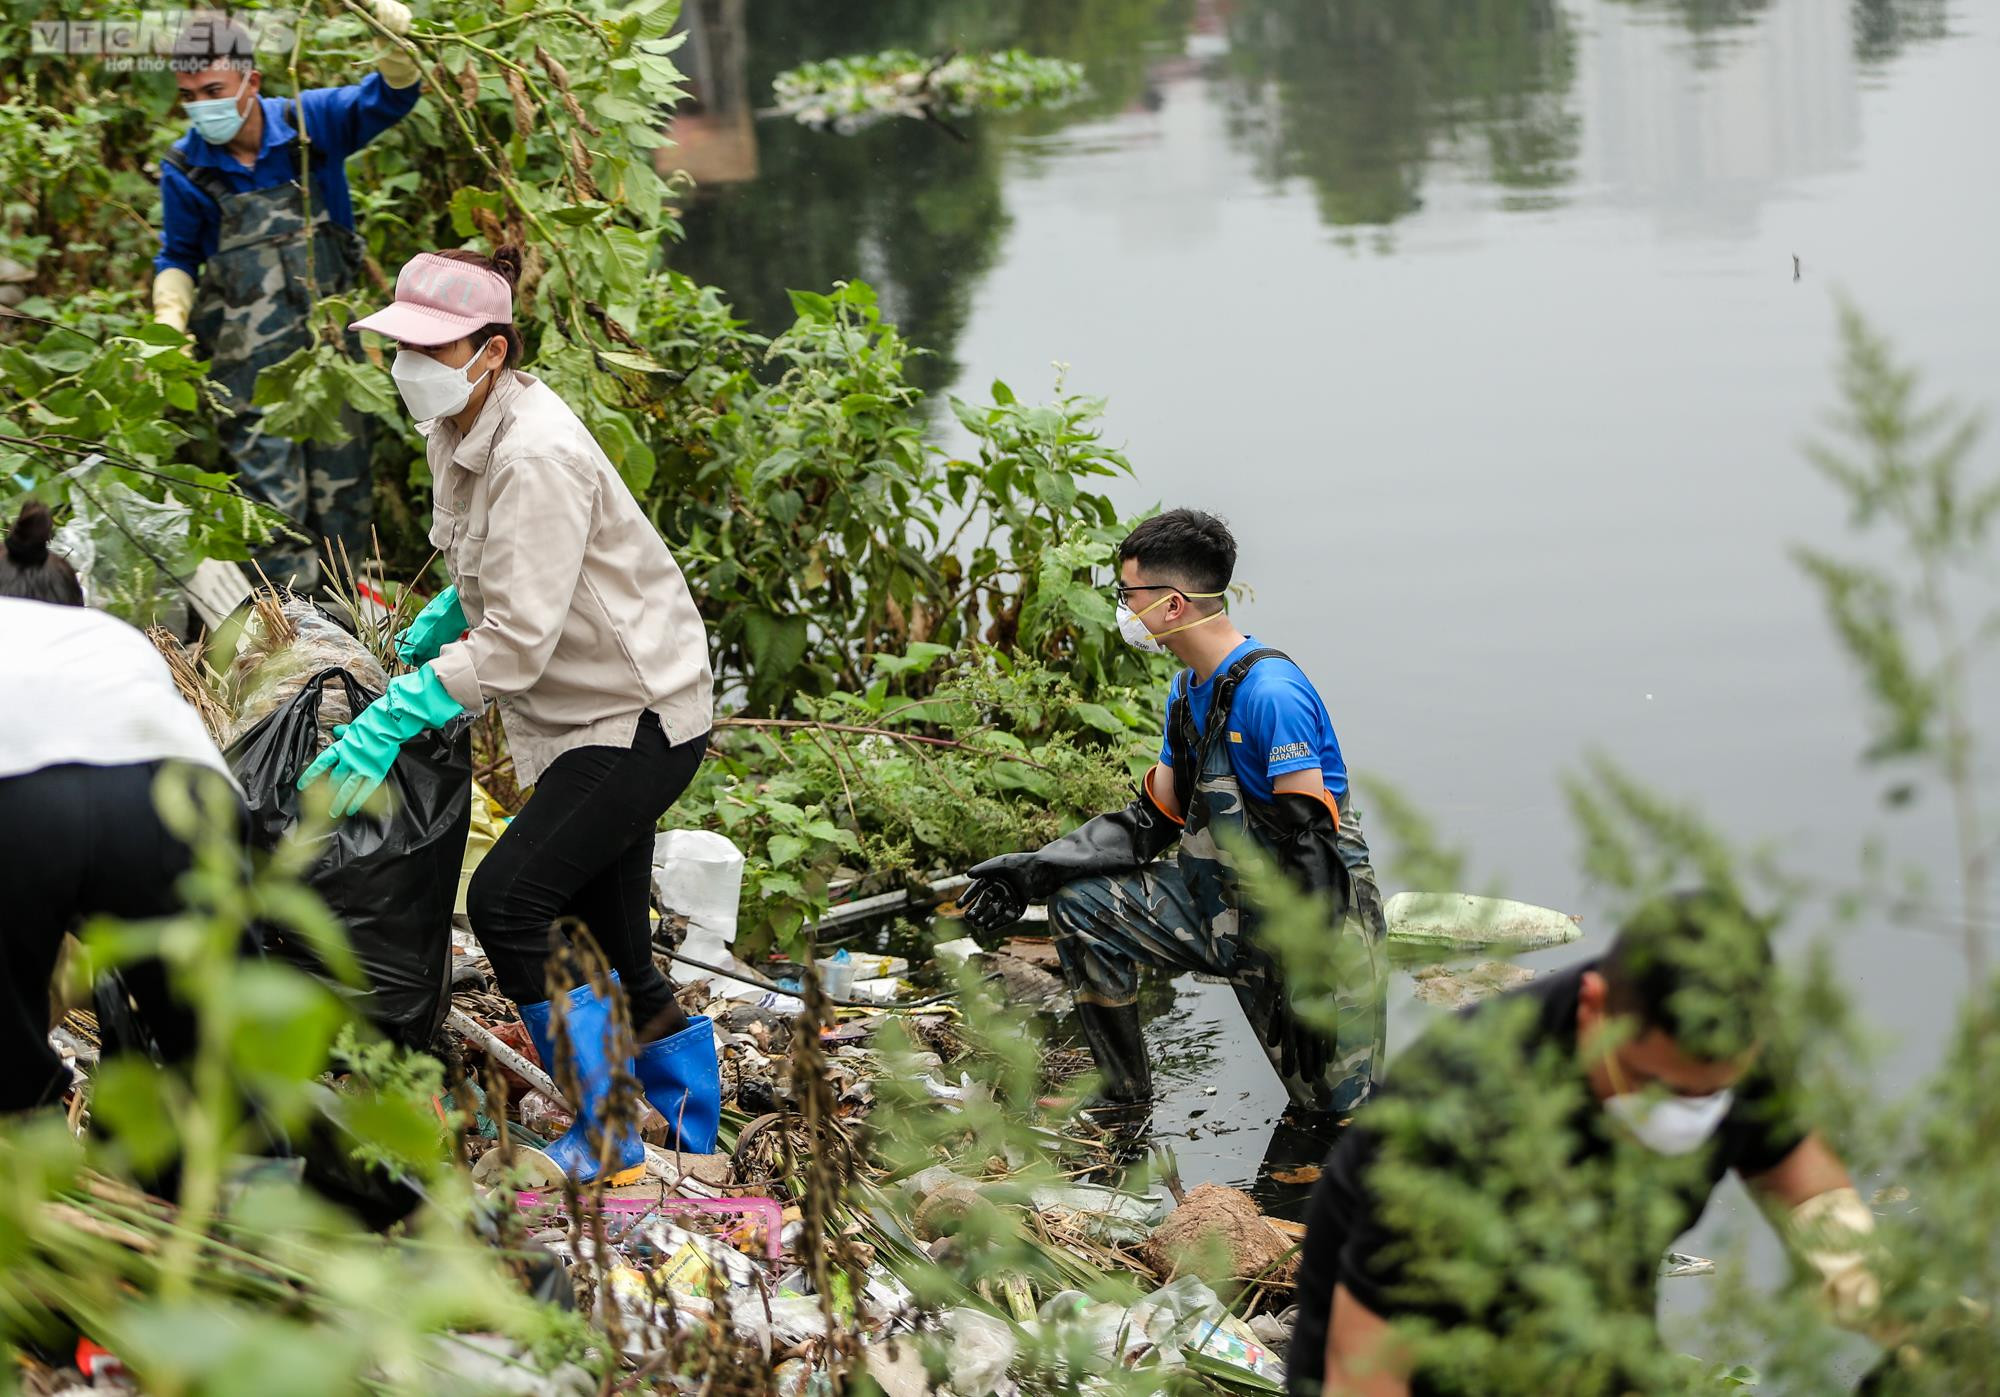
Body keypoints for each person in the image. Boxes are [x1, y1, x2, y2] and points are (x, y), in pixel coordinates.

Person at [300, 246, 720, 1185]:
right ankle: (695, 1133)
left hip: (634, 714)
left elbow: (521, 642)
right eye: (400, 346)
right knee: (608, 940)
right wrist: (449, 612)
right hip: (591, 705)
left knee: (509, 901)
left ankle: (609, 1132)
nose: (406, 366)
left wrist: (397, 713)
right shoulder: (462, 425)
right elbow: (498, 569)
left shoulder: (535, 453)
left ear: (489, 352)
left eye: (429, 349)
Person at [1290, 891, 1882, 1397]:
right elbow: (1365, 1370)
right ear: (1594, 1009)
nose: (1685, 1115)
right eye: (1658, 1088)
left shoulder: (1723, 1047)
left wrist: (1889, 1308)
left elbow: (1812, 1199)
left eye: (1711, 1095)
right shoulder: (1459, 1112)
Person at [960, 509, 1389, 1124]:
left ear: (1172, 605)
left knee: (1341, 1122)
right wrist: (1034, 870)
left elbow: (1309, 844)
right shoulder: (1187, 692)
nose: (1121, 608)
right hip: (1222, 909)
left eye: (1127, 594)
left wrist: (1311, 981)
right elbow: (1150, 821)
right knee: (1081, 906)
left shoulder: (1272, 693)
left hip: (1315, 926)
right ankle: (1123, 1095)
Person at [152, 6, 423, 590]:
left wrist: (395, 46)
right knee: (272, 502)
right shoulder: (185, 168)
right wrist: (169, 316)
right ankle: (293, 641)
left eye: (214, 90)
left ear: (252, 82)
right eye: (188, 94)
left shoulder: (310, 126)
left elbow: (391, 97)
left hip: (332, 354)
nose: (202, 106)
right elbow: (178, 255)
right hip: (249, 367)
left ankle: (353, 632)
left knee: (344, 489)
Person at [0, 501, 242, 1112]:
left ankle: (35, 1156)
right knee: (209, 1033)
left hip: (24, 805)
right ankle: (244, 1171)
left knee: (8, 1032)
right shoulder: (112, 639)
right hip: (177, 797)